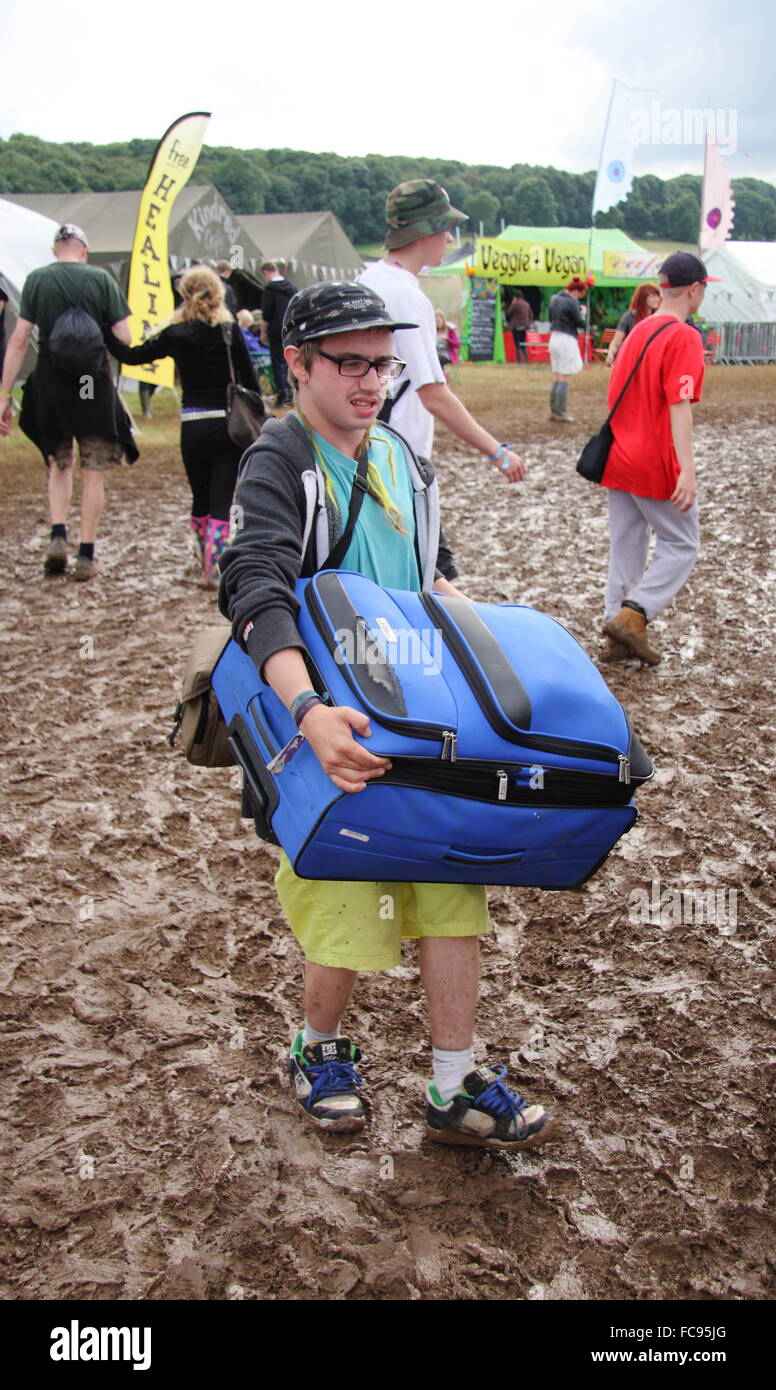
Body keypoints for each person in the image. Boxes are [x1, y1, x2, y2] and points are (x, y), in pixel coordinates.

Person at [219, 280, 556, 1150]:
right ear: (297, 365)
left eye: (383, 363)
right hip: (328, 726)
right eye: (350, 363)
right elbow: (253, 590)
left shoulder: (406, 458)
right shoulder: (279, 459)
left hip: (418, 718)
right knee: (345, 899)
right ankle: (319, 1049)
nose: (372, 381)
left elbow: (431, 577)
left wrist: (489, 657)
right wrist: (309, 710)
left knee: (453, 888)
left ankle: (452, 1084)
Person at [358, 180, 525, 485]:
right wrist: (497, 453)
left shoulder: (366, 281)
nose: (449, 238)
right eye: (445, 227)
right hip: (396, 461)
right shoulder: (407, 296)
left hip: (364, 451)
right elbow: (434, 396)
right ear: (426, 229)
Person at [105, 266, 258, 588]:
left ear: (185, 294)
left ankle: (203, 552)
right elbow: (250, 379)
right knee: (221, 497)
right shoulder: (230, 332)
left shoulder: (176, 333)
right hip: (228, 426)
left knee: (199, 495)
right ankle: (213, 568)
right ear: (217, 292)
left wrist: (105, 327)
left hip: (192, 426)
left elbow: (131, 356)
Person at [0, 223, 137, 581]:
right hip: (90, 382)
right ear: (84, 250)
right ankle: (86, 555)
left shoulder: (37, 280)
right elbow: (124, 335)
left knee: (59, 463)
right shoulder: (102, 280)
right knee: (93, 471)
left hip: (51, 381)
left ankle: (58, 535)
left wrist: (3, 396)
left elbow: (18, 340)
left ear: (55, 250)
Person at [600, 252, 716, 666]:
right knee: (682, 543)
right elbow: (679, 404)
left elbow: (614, 393)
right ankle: (635, 615)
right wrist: (687, 467)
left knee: (626, 546)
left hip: (618, 455)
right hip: (653, 459)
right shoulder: (684, 335)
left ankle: (616, 629)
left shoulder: (637, 330)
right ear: (695, 289)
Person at [548, 276, 587, 421]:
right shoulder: (571, 302)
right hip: (567, 339)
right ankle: (561, 412)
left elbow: (550, 318)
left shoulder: (554, 299)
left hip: (554, 338)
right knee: (565, 376)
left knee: (557, 375)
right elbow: (580, 323)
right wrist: (583, 312)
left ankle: (554, 410)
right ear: (577, 291)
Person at [260, 261, 297, 406]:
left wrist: (263, 332)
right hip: (291, 329)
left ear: (265, 272)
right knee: (291, 363)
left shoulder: (270, 290)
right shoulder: (292, 288)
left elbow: (266, 314)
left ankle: (283, 396)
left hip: (276, 332)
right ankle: (293, 394)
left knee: (278, 364)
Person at [604, 283, 661, 367]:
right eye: (653, 296)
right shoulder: (629, 317)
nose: (657, 299)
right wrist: (611, 353)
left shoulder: (660, 318)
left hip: (654, 361)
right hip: (633, 360)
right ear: (643, 298)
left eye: (657, 296)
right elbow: (616, 340)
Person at [506, 288, 532, 363]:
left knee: (517, 344)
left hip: (516, 326)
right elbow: (531, 314)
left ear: (515, 297)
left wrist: (512, 303)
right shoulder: (526, 304)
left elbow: (509, 313)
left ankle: (519, 361)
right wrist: (528, 323)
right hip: (525, 326)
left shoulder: (515, 303)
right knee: (523, 344)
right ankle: (527, 361)